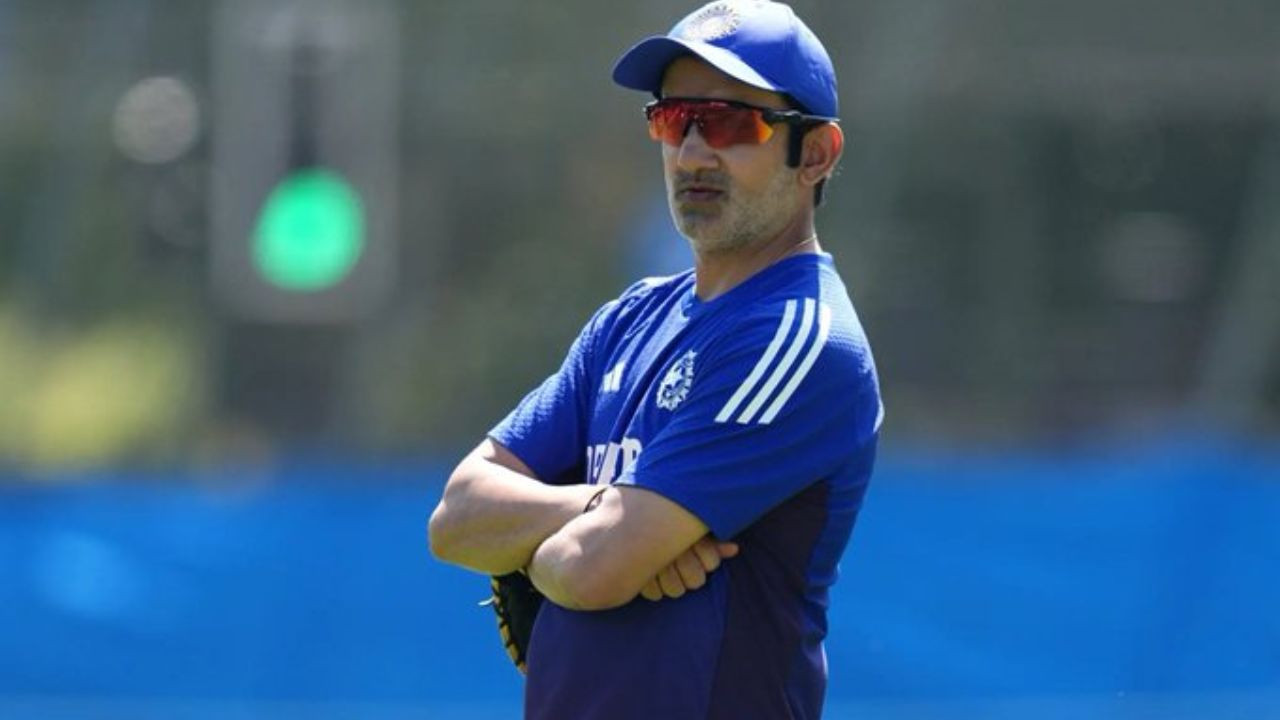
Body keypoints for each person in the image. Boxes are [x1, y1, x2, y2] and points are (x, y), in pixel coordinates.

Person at [429, 2, 883, 718]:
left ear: (817, 154)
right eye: (674, 120)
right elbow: (456, 517)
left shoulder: (798, 338)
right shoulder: (627, 320)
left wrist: (535, 543)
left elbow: (590, 569)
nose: (693, 153)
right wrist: (605, 508)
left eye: (731, 122)